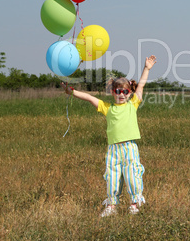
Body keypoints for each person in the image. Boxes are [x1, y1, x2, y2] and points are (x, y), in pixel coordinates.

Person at [61, 55, 157, 217]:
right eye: (117, 91)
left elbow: (141, 86)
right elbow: (89, 98)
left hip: (129, 147)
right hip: (113, 149)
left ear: (129, 92)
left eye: (125, 91)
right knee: (112, 176)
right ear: (112, 92)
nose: (121, 94)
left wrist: (147, 68)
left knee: (132, 174)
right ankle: (112, 205)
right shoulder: (107, 107)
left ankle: (134, 204)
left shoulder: (132, 104)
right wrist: (71, 92)